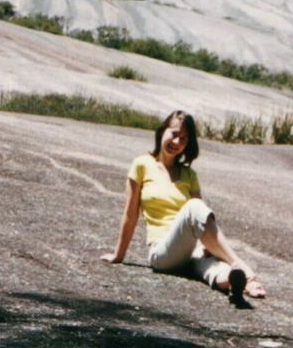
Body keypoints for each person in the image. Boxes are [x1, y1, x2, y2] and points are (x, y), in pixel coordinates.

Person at [101, 110, 266, 300]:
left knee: (216, 269)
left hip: (191, 251)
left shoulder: (189, 175)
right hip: (163, 252)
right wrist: (118, 255)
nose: (177, 143)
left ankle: (237, 282)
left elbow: (202, 220)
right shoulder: (142, 164)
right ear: (162, 131)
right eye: (174, 134)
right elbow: (130, 214)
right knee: (193, 206)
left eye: (184, 139)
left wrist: (207, 247)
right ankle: (247, 271)